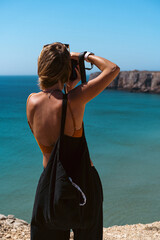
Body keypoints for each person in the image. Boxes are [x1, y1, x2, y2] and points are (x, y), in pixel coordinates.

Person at [26, 42, 120, 240]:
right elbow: (112, 69)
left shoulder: (31, 102)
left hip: (49, 187)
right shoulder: (75, 101)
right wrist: (84, 55)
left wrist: (67, 87)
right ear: (66, 69)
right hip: (82, 185)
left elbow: (53, 110)